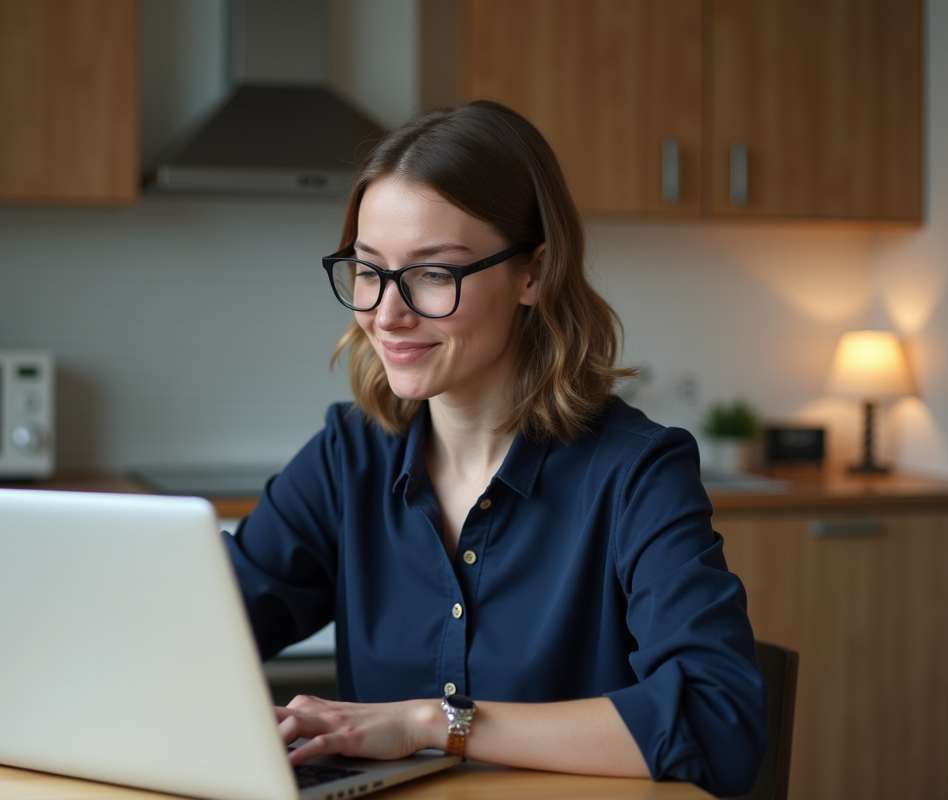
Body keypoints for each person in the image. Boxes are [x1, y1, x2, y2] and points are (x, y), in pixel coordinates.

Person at [223, 100, 767, 797]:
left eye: (432, 273)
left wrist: (435, 722)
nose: (385, 314)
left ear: (533, 273)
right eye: (367, 270)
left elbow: (720, 723)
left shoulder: (637, 472)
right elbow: (202, 628)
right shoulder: (348, 458)